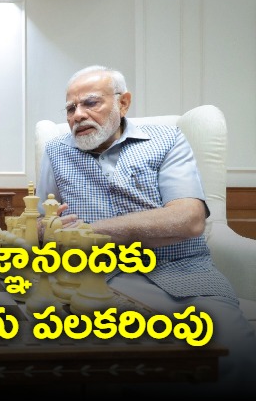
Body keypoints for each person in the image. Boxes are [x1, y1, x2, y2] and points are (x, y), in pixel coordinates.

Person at [36, 65, 256, 396]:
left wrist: (91, 232)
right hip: (97, 281)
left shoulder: (167, 140)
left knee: (232, 356)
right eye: (70, 108)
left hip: (185, 276)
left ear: (123, 103)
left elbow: (189, 218)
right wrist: (47, 229)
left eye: (90, 103)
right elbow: (40, 220)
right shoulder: (56, 151)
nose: (77, 115)